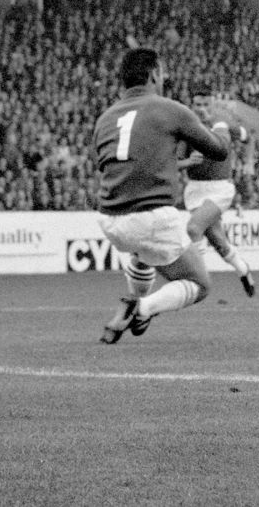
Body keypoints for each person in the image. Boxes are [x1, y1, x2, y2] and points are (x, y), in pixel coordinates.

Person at [93, 48, 229, 344]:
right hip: (151, 215)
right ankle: (140, 307)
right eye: (163, 72)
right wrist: (220, 126)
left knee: (143, 253)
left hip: (110, 220)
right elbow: (219, 151)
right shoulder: (169, 109)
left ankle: (134, 298)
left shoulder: (104, 118)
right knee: (199, 283)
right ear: (155, 74)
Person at [179, 90, 255, 297]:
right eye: (197, 104)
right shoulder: (185, 129)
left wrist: (248, 162)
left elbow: (249, 138)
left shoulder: (224, 126)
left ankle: (197, 280)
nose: (201, 109)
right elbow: (172, 163)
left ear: (213, 106)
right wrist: (186, 162)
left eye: (205, 104)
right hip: (195, 190)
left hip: (220, 189)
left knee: (194, 228)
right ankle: (243, 270)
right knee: (219, 242)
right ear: (192, 105)